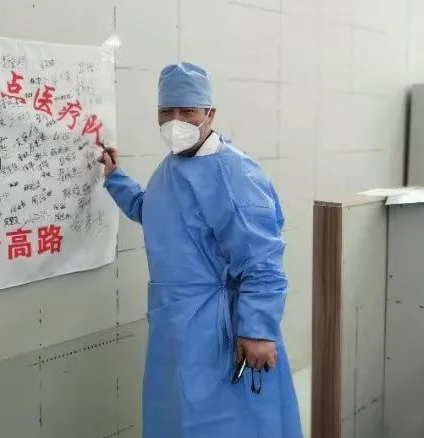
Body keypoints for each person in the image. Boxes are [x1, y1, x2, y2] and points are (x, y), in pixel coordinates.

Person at [100, 62, 302, 437]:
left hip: (218, 330)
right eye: (167, 111)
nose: (175, 121)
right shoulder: (173, 166)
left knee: (223, 424)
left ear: (210, 113)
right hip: (175, 323)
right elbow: (154, 212)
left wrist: (258, 330)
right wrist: (115, 179)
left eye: (188, 111)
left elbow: (261, 258)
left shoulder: (231, 171)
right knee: (177, 418)